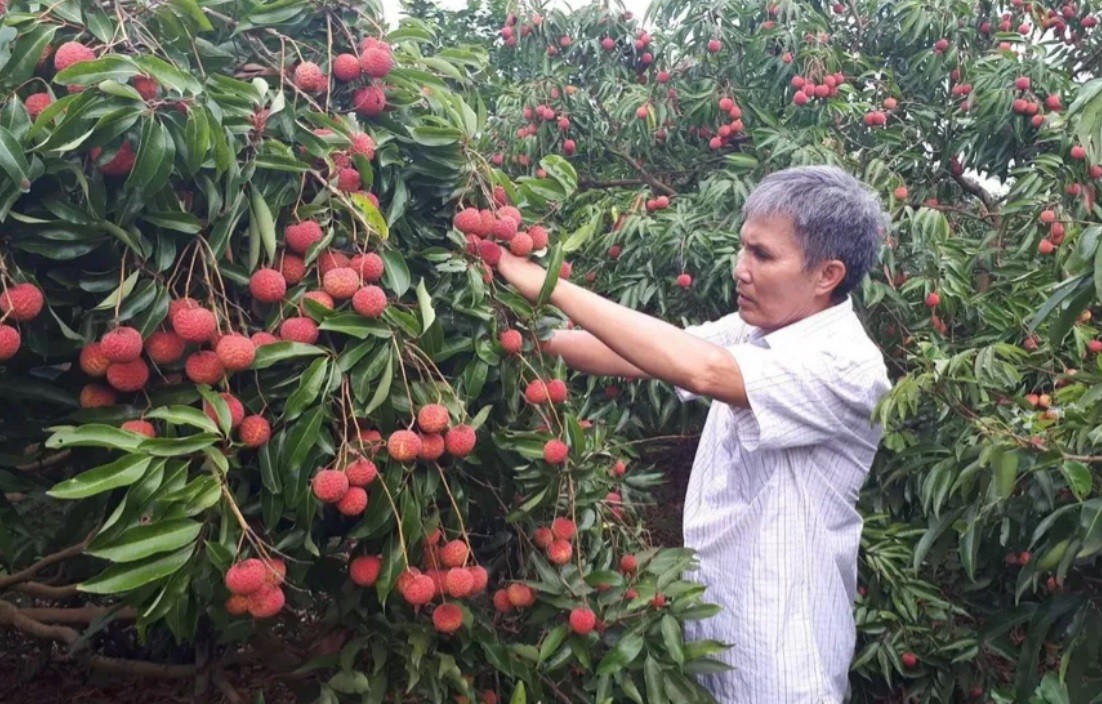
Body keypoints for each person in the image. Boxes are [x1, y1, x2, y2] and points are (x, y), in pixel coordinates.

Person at [494, 164, 893, 703]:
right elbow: (639, 354)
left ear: (827, 275)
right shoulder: (758, 329)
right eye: (743, 248)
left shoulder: (846, 365)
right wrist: (525, 337)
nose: (740, 269)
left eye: (763, 255)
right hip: (708, 629)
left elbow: (699, 369)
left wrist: (544, 283)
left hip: (781, 658)